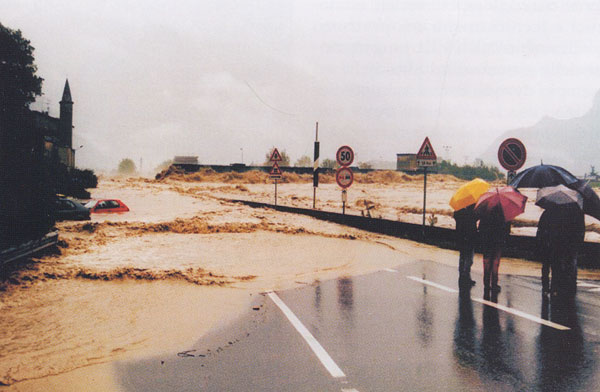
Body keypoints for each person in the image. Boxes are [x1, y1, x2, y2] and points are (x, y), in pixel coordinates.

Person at [536, 205, 585, 296]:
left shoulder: (546, 213)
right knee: (556, 266)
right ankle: (555, 288)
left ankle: (546, 288)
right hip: (556, 244)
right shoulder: (571, 213)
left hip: (547, 243)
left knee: (546, 266)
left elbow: (540, 228)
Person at [478, 207, 510, 293]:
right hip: (498, 241)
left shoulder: (486, 211)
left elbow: (480, 227)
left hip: (487, 241)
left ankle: (486, 284)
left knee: (487, 262)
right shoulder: (504, 213)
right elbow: (507, 229)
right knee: (495, 263)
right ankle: (494, 284)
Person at [454, 204, 477, 287]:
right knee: (469, 258)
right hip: (469, 237)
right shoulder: (471, 211)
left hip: (461, 237)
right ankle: (466, 276)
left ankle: (462, 275)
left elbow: (456, 217)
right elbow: (476, 217)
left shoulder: (458, 210)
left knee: (463, 256)